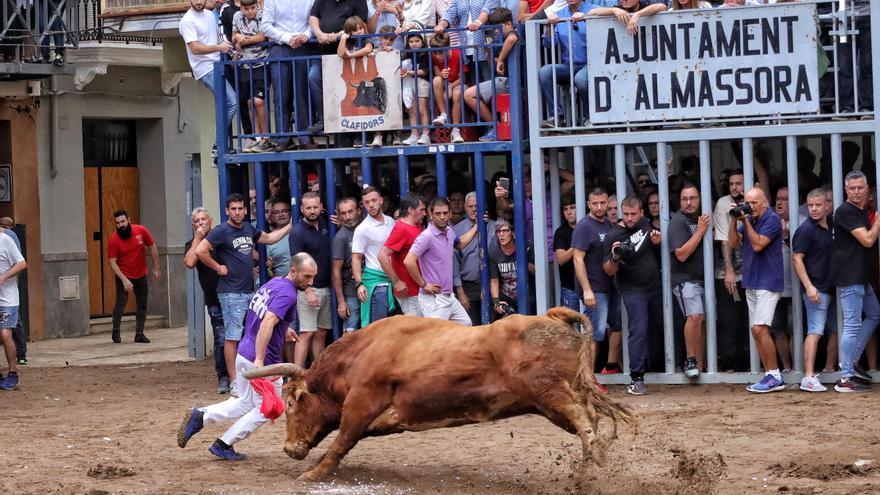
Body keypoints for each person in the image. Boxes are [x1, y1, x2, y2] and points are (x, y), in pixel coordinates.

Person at [177, 253, 317, 460]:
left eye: (313, 277)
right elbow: (268, 322)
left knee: (244, 402)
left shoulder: (275, 283)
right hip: (263, 361)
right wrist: (260, 360)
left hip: (244, 352)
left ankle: (201, 416)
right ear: (294, 271)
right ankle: (224, 443)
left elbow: (258, 311)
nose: (310, 282)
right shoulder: (289, 294)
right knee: (270, 408)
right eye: (307, 277)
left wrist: (284, 329)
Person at [195, 193, 292, 386]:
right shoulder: (221, 231)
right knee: (232, 336)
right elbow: (200, 250)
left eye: (240, 209)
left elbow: (271, 238)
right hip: (230, 292)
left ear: (245, 210)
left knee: (252, 331)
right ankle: (234, 382)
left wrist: (291, 225)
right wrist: (218, 267)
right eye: (233, 209)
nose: (237, 212)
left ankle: (252, 375)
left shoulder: (248, 228)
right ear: (227, 211)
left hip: (249, 290)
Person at [603, 196, 662, 396]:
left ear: (641, 213)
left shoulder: (646, 224)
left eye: (633, 214)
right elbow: (609, 271)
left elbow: (659, 251)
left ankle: (661, 367)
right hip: (632, 289)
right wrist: (615, 256)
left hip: (654, 287)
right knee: (638, 330)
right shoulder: (614, 235)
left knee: (658, 328)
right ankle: (637, 378)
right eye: (626, 214)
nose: (629, 218)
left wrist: (657, 243)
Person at [728, 187, 785, 393]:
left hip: (768, 281)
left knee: (761, 328)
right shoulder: (748, 218)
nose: (750, 207)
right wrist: (734, 219)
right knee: (755, 330)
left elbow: (759, 244)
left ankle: (774, 375)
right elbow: (733, 243)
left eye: (754, 203)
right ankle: (769, 374)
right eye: (748, 202)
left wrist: (745, 222)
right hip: (752, 281)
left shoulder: (771, 219)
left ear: (765, 202)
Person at [831, 171, 880, 392]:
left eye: (860, 188)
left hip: (860, 276)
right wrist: (878, 221)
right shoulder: (845, 211)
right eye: (852, 188)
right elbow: (868, 240)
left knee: (874, 313)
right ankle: (846, 377)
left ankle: (852, 362)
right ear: (846, 190)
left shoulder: (859, 210)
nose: (857, 192)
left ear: (867, 189)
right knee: (852, 324)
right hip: (850, 277)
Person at [406, 197, 477, 323]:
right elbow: (408, 261)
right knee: (436, 338)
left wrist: (477, 226)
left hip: (448, 296)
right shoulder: (426, 236)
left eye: (445, 213)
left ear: (450, 213)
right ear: (430, 215)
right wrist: (424, 284)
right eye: (438, 214)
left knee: (466, 324)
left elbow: (460, 244)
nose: (442, 217)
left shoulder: (449, 231)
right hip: (433, 298)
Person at [791, 189, 834, 392]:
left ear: (827, 205)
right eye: (810, 205)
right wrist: (809, 286)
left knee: (833, 330)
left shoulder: (831, 224)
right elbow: (796, 258)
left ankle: (831, 369)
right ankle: (808, 376)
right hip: (816, 289)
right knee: (815, 331)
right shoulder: (806, 229)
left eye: (818, 205)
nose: (814, 209)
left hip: (831, 286)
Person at [185, 208, 231, 394]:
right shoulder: (192, 243)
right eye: (197, 221)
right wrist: (198, 237)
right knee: (221, 339)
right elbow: (189, 262)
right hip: (214, 300)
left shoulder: (222, 237)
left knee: (240, 337)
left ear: (211, 220)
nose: (201, 223)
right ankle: (223, 377)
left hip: (234, 294)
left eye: (204, 219)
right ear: (193, 225)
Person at [308, 0, 370, 135]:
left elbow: (360, 22)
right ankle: (323, 120)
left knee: (349, 89)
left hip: (348, 53)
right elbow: (313, 16)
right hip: (323, 52)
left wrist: (338, 36)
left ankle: (356, 131)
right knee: (313, 77)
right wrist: (319, 34)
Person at [668, 184, 710, 379]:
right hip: (685, 280)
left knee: (701, 321)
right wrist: (700, 231)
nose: (689, 202)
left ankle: (700, 367)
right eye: (685, 199)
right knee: (694, 317)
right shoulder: (678, 221)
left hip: (704, 279)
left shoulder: (701, 218)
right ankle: (690, 360)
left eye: (693, 198)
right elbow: (681, 254)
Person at [572, 188, 616, 374]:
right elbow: (577, 258)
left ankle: (609, 369)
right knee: (593, 336)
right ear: (588, 204)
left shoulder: (608, 224)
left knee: (611, 329)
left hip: (610, 287)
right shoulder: (584, 226)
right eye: (595, 203)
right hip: (594, 289)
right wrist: (587, 290)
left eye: (603, 203)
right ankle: (589, 381)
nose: (599, 207)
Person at [262, 0, 315, 151]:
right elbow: (265, 25)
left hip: (303, 47)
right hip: (280, 47)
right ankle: (282, 138)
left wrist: (305, 35)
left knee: (302, 94)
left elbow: (313, 20)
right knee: (280, 95)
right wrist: (287, 38)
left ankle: (304, 137)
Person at [290, 192, 333, 367]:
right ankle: (296, 374)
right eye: (308, 208)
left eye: (315, 207)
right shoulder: (297, 232)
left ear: (321, 206)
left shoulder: (325, 224)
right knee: (306, 333)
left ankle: (317, 373)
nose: (312, 211)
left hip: (326, 287)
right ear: (301, 209)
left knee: (321, 333)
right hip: (308, 290)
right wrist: (307, 291)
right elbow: (297, 265)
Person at [463, 6, 519, 142]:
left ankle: (495, 127)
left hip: (514, 82)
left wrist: (500, 59)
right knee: (470, 94)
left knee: (468, 95)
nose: (496, 31)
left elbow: (512, 38)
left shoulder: (515, 32)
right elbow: (495, 69)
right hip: (505, 81)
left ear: (509, 24)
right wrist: (489, 54)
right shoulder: (500, 41)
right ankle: (496, 127)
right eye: (494, 28)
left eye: (498, 28)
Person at [538, 0, 596, 128]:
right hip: (569, 65)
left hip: (592, 64)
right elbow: (549, 44)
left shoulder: (592, 9)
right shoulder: (560, 13)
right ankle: (557, 117)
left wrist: (586, 18)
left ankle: (590, 118)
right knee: (545, 72)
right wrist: (549, 27)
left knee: (580, 79)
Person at [179, 0, 237, 127]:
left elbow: (219, 39)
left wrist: (232, 52)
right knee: (232, 101)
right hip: (205, 69)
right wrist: (219, 48)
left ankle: (219, 143)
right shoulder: (187, 21)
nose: (199, 2)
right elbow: (195, 48)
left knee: (228, 102)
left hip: (218, 64)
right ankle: (218, 142)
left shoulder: (210, 14)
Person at [713, 170, 749, 371]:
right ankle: (728, 364)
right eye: (731, 183)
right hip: (729, 274)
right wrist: (729, 270)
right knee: (729, 320)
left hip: (752, 272)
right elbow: (724, 239)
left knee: (749, 320)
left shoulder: (754, 201)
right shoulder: (723, 203)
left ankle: (748, 364)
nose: (734, 187)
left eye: (739, 183)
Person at [107, 211, 160, 344]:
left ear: (129, 220)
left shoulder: (140, 231)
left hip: (141, 274)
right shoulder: (114, 239)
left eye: (123, 222)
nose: (121, 225)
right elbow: (112, 262)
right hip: (123, 275)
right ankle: (116, 330)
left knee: (142, 304)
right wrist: (124, 279)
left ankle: (139, 334)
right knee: (121, 303)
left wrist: (156, 268)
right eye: (118, 223)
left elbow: (152, 247)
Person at [352, 186, 397, 326]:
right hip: (377, 284)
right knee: (378, 329)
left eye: (374, 200)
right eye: (367, 202)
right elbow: (356, 257)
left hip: (396, 281)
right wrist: (359, 284)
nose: (371, 205)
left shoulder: (391, 221)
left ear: (381, 201)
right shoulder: (362, 229)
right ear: (363, 204)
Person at [231, 0, 271, 153]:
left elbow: (263, 36)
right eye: (246, 9)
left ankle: (266, 137)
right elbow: (233, 35)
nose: (249, 12)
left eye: (252, 8)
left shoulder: (262, 15)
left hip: (261, 63)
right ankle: (257, 138)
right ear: (241, 7)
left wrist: (242, 40)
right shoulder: (236, 16)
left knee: (258, 101)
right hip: (243, 64)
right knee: (249, 102)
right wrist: (237, 38)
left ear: (257, 6)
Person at [453, 191, 497, 325]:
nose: (473, 209)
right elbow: (454, 263)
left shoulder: (495, 227)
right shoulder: (457, 230)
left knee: (492, 326)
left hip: (492, 284)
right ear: (465, 208)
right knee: (472, 327)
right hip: (468, 287)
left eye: (477, 206)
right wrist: (460, 291)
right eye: (470, 206)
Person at [379, 195, 426, 316]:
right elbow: (382, 255)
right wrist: (396, 282)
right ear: (411, 210)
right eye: (421, 210)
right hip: (409, 292)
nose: (424, 213)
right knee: (417, 330)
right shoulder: (401, 228)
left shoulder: (416, 226)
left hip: (419, 289)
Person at [489, 219, 535, 317]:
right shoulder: (493, 251)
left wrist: (524, 258)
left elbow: (537, 272)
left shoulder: (526, 246)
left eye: (505, 231)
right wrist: (496, 302)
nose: (501, 234)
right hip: (507, 298)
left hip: (527, 296)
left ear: (512, 232)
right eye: (498, 231)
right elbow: (494, 280)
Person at [429, 32, 467, 144]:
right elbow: (437, 76)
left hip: (458, 83)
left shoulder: (457, 54)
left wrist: (450, 86)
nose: (437, 56)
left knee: (457, 94)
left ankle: (456, 130)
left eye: (440, 53)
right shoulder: (434, 56)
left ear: (448, 48)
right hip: (445, 84)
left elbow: (463, 78)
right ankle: (444, 115)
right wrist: (442, 75)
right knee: (436, 80)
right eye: (435, 53)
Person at [332, 198, 363, 332]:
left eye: (351, 212)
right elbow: (336, 271)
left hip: (370, 287)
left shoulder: (365, 228)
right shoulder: (341, 237)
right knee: (350, 333)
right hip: (351, 292)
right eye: (343, 213)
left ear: (359, 211)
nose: (348, 217)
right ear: (338, 215)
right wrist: (341, 301)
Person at [0, 229, 25, 391]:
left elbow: (22, 263)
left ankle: (13, 372)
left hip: (8, 298)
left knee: (5, 334)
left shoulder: (6, 240)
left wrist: (3, 277)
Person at [400, 30, 432, 146]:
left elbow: (424, 71)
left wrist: (409, 72)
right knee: (411, 110)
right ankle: (414, 134)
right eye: (411, 41)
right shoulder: (406, 54)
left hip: (422, 81)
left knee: (422, 108)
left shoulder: (426, 54)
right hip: (409, 82)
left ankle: (426, 134)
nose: (414, 44)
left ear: (422, 41)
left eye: (417, 41)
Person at [555, 194, 579, 312]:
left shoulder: (589, 227)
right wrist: (576, 245)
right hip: (570, 288)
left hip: (592, 287)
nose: (569, 212)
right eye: (565, 209)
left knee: (594, 327)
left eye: (572, 207)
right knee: (569, 328)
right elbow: (560, 259)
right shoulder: (561, 232)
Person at [588, 0, 666, 36]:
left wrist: (637, 14)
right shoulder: (619, 9)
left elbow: (661, 6)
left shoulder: (644, 6)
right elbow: (591, 13)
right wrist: (613, 10)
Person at [266, 198, 292, 277]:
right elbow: (268, 270)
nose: (281, 214)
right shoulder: (269, 239)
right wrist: (269, 269)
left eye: (284, 211)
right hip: (283, 285)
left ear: (290, 213)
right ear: (272, 216)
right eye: (276, 212)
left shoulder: (301, 231)